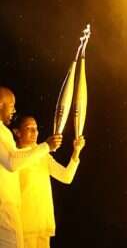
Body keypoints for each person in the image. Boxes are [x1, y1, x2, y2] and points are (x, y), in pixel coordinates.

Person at [0, 86, 62, 248]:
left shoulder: (4, 132)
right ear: (1, 104)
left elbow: (16, 157)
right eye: (11, 105)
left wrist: (74, 152)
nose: (14, 110)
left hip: (13, 211)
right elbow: (12, 163)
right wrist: (45, 146)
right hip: (5, 210)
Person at [12, 115, 85, 248]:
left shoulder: (43, 155)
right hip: (23, 227)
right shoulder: (14, 157)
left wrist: (76, 151)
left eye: (36, 128)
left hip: (43, 225)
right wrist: (46, 147)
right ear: (17, 132)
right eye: (29, 128)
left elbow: (66, 177)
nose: (35, 132)